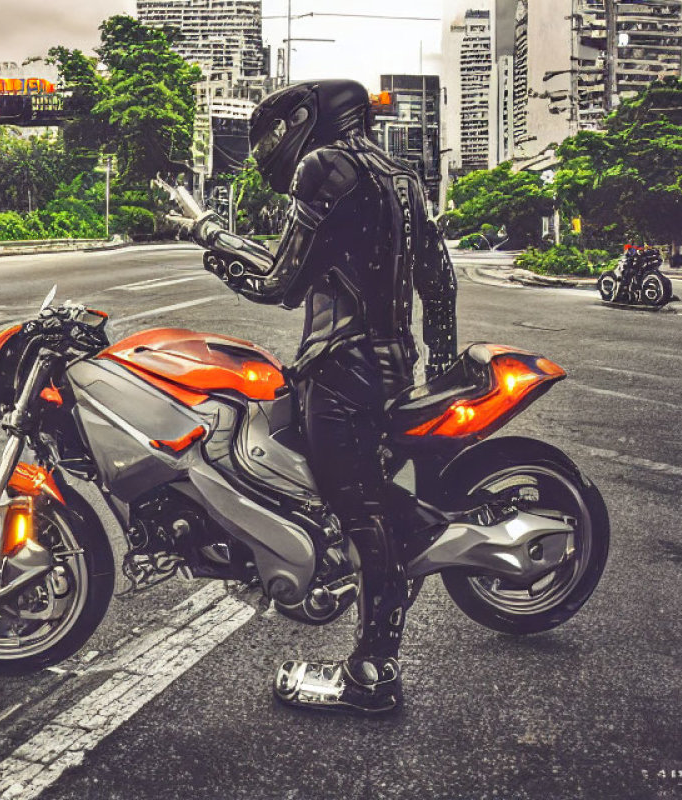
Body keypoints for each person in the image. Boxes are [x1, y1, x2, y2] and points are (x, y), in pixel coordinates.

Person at [174, 79, 457, 714]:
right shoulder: (402, 177)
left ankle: (373, 674)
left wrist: (208, 237)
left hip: (339, 371)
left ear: (305, 119)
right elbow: (440, 281)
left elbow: (279, 284)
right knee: (344, 496)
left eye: (273, 132)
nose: (270, 147)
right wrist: (438, 362)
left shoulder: (325, 167)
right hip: (389, 364)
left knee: (359, 507)